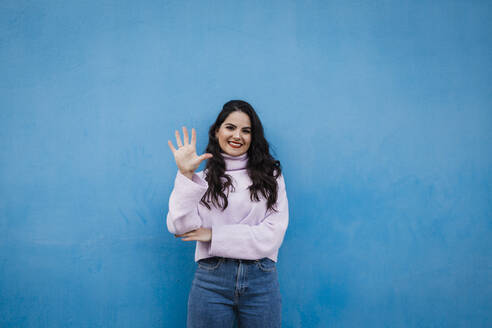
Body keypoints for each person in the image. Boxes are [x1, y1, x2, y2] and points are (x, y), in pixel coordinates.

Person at [166, 100, 289, 328]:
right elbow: (179, 227)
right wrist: (185, 174)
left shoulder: (271, 176)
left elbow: (273, 234)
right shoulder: (201, 179)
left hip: (261, 279)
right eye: (230, 127)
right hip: (212, 280)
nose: (237, 136)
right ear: (217, 131)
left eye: (246, 130)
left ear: (254, 137)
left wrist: (214, 234)